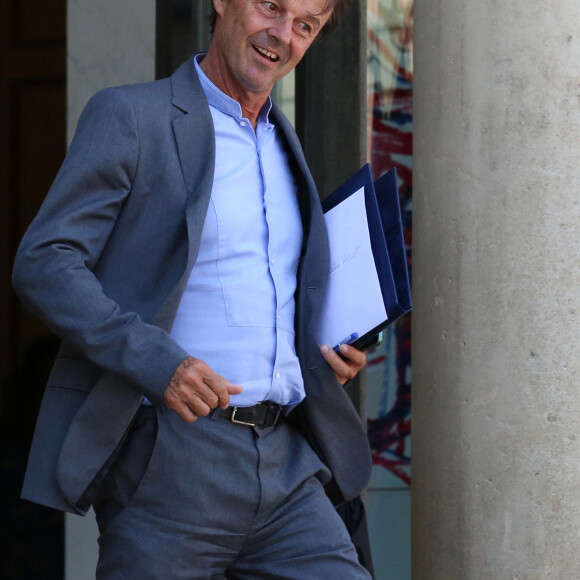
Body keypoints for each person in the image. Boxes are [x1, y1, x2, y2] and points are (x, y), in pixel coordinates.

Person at [12, 0, 373, 577]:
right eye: (271, 7)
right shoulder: (132, 116)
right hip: (172, 460)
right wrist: (159, 363)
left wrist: (322, 351)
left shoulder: (286, 142)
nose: (281, 35)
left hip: (288, 463)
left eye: (305, 25)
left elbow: (269, 290)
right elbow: (45, 261)